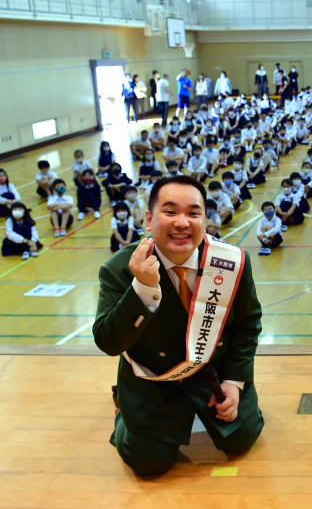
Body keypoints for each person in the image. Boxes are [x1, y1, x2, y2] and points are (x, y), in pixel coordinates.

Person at [94, 175, 264, 475]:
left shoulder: (231, 261)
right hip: (153, 378)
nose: (182, 222)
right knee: (148, 463)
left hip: (213, 372)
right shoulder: (120, 268)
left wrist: (235, 382)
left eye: (193, 213)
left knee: (241, 439)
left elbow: (248, 326)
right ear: (149, 219)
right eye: (170, 212)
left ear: (204, 218)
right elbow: (108, 342)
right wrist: (142, 289)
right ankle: (126, 412)